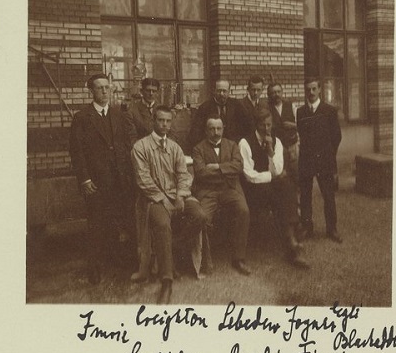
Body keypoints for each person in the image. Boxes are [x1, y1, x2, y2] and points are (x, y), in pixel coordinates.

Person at [132, 105, 207, 303]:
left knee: (200, 215)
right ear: (153, 121)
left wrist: (181, 196)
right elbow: (143, 179)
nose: (164, 125)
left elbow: (184, 174)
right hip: (153, 199)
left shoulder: (174, 147)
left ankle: (171, 249)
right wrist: (163, 199)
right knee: (163, 224)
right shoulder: (140, 147)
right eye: (160, 120)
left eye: (168, 121)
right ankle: (167, 280)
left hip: (176, 196)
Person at [68, 73, 136, 286]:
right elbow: (77, 152)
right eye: (99, 88)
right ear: (91, 91)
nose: (105, 91)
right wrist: (85, 180)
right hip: (96, 182)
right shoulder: (82, 118)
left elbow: (125, 146)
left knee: (119, 223)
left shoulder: (118, 115)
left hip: (119, 181)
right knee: (96, 226)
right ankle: (94, 268)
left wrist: (127, 174)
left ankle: (118, 262)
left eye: (107, 87)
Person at [239, 109, 308, 268]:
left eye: (269, 124)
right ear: (256, 125)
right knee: (282, 189)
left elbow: (277, 169)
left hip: (272, 186)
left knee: (286, 187)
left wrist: (270, 151)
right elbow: (249, 174)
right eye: (262, 125)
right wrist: (271, 176)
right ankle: (294, 236)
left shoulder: (276, 141)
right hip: (253, 190)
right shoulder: (245, 143)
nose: (266, 128)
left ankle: (293, 245)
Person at [191, 117, 251, 276]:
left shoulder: (232, 145)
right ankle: (204, 259)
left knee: (243, 211)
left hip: (229, 189)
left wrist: (217, 167)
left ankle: (239, 258)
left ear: (223, 129)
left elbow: (238, 167)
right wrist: (226, 171)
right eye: (212, 129)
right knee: (202, 216)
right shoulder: (198, 149)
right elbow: (201, 173)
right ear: (206, 130)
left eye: (219, 128)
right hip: (208, 192)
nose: (215, 132)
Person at [297, 78, 342, 242]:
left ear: (320, 90)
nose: (311, 92)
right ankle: (307, 227)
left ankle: (332, 229)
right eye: (308, 89)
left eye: (314, 89)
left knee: (328, 195)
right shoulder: (300, 112)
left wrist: (329, 155)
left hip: (324, 160)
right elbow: (302, 135)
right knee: (305, 195)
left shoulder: (329, 110)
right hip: (306, 160)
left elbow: (336, 136)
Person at [189, 79, 240, 150]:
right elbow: (196, 132)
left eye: (224, 91)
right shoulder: (204, 108)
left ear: (229, 92)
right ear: (214, 91)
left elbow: (245, 127)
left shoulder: (236, 106)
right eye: (219, 91)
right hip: (211, 146)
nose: (221, 94)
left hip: (232, 147)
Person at [268, 82, 299, 190]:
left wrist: (292, 125)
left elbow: (302, 124)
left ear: (282, 92)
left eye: (278, 92)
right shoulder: (268, 109)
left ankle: (297, 202)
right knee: (281, 175)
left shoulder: (291, 106)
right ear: (269, 95)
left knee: (295, 173)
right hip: (277, 148)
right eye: (273, 93)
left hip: (292, 146)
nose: (276, 94)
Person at [234, 75, 266, 142]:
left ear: (262, 90)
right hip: (245, 142)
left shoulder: (264, 105)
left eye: (258, 90)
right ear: (248, 89)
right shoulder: (240, 105)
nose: (255, 93)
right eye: (253, 90)